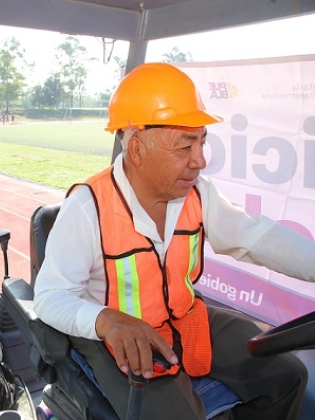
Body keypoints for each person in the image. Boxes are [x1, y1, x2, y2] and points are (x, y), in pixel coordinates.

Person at [33, 62, 314, 420]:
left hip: (184, 317)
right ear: (137, 149)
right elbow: (50, 296)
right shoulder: (87, 208)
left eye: (202, 141)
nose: (200, 161)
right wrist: (107, 320)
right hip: (118, 336)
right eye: (185, 146)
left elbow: (257, 236)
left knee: (287, 377)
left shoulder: (198, 194)